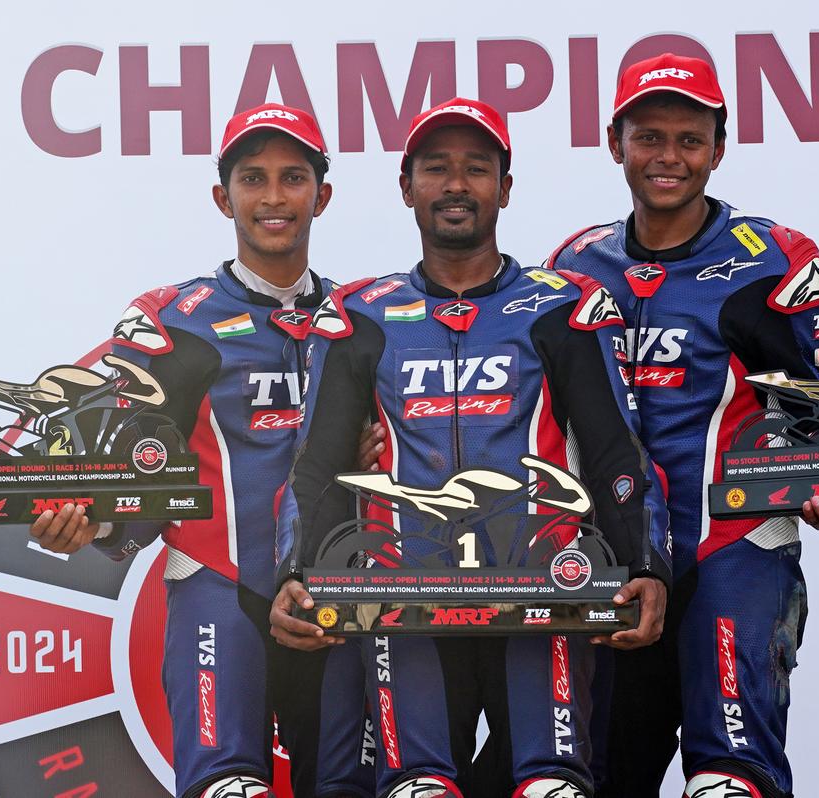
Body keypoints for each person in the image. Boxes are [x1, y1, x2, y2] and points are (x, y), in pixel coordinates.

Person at [269, 97, 672, 798]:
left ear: (505, 189)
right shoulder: (357, 314)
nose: (456, 185)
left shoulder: (565, 305)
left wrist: (647, 565)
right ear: (407, 188)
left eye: (477, 169)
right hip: (401, 600)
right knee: (417, 787)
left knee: (552, 786)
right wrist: (293, 575)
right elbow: (318, 466)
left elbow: (616, 454)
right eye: (436, 168)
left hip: (547, 594)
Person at [28, 102, 383, 798]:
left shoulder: (364, 319)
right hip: (220, 594)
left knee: (350, 787)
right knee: (224, 788)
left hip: (340, 595)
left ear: (323, 194)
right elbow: (130, 474)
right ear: (224, 197)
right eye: (253, 179)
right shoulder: (172, 320)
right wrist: (85, 522)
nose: (274, 198)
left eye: (293, 177)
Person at [547, 53, 819, 798]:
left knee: (730, 782)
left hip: (735, 549)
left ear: (719, 149)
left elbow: (812, 418)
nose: (669, 157)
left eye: (689, 139)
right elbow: (540, 418)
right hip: (611, 562)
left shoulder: (775, 260)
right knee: (587, 779)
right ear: (614, 142)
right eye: (649, 136)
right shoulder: (570, 266)